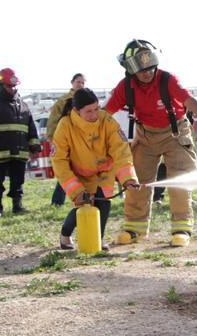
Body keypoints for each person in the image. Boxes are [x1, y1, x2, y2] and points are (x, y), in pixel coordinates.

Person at [104, 39, 197, 247]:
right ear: (131, 69)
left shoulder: (167, 80)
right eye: (141, 70)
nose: (147, 73)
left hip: (175, 134)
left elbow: (188, 100)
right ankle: (135, 228)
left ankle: (181, 229)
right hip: (145, 136)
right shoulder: (125, 87)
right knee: (137, 181)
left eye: (150, 67)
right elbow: (105, 113)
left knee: (178, 181)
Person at [51, 88, 139, 250]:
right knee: (84, 205)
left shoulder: (107, 121)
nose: (94, 115)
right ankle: (65, 235)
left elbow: (121, 150)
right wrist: (76, 191)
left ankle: (98, 239)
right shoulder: (65, 125)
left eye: (96, 109)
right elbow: (59, 161)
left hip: (104, 172)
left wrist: (128, 178)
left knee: (103, 202)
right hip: (80, 174)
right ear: (76, 110)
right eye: (89, 111)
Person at [0, 68, 41, 217]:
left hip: (19, 152)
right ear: (1, 85)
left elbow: (31, 129)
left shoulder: (24, 106)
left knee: (18, 181)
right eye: (9, 86)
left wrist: (35, 147)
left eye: (14, 86)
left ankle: (17, 206)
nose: (13, 89)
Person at [45, 73, 86, 206]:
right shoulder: (64, 100)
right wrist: (52, 138)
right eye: (78, 82)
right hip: (67, 139)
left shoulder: (86, 98)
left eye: (83, 83)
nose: (81, 85)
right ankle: (58, 201)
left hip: (82, 139)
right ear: (72, 82)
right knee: (66, 168)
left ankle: (78, 197)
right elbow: (53, 120)